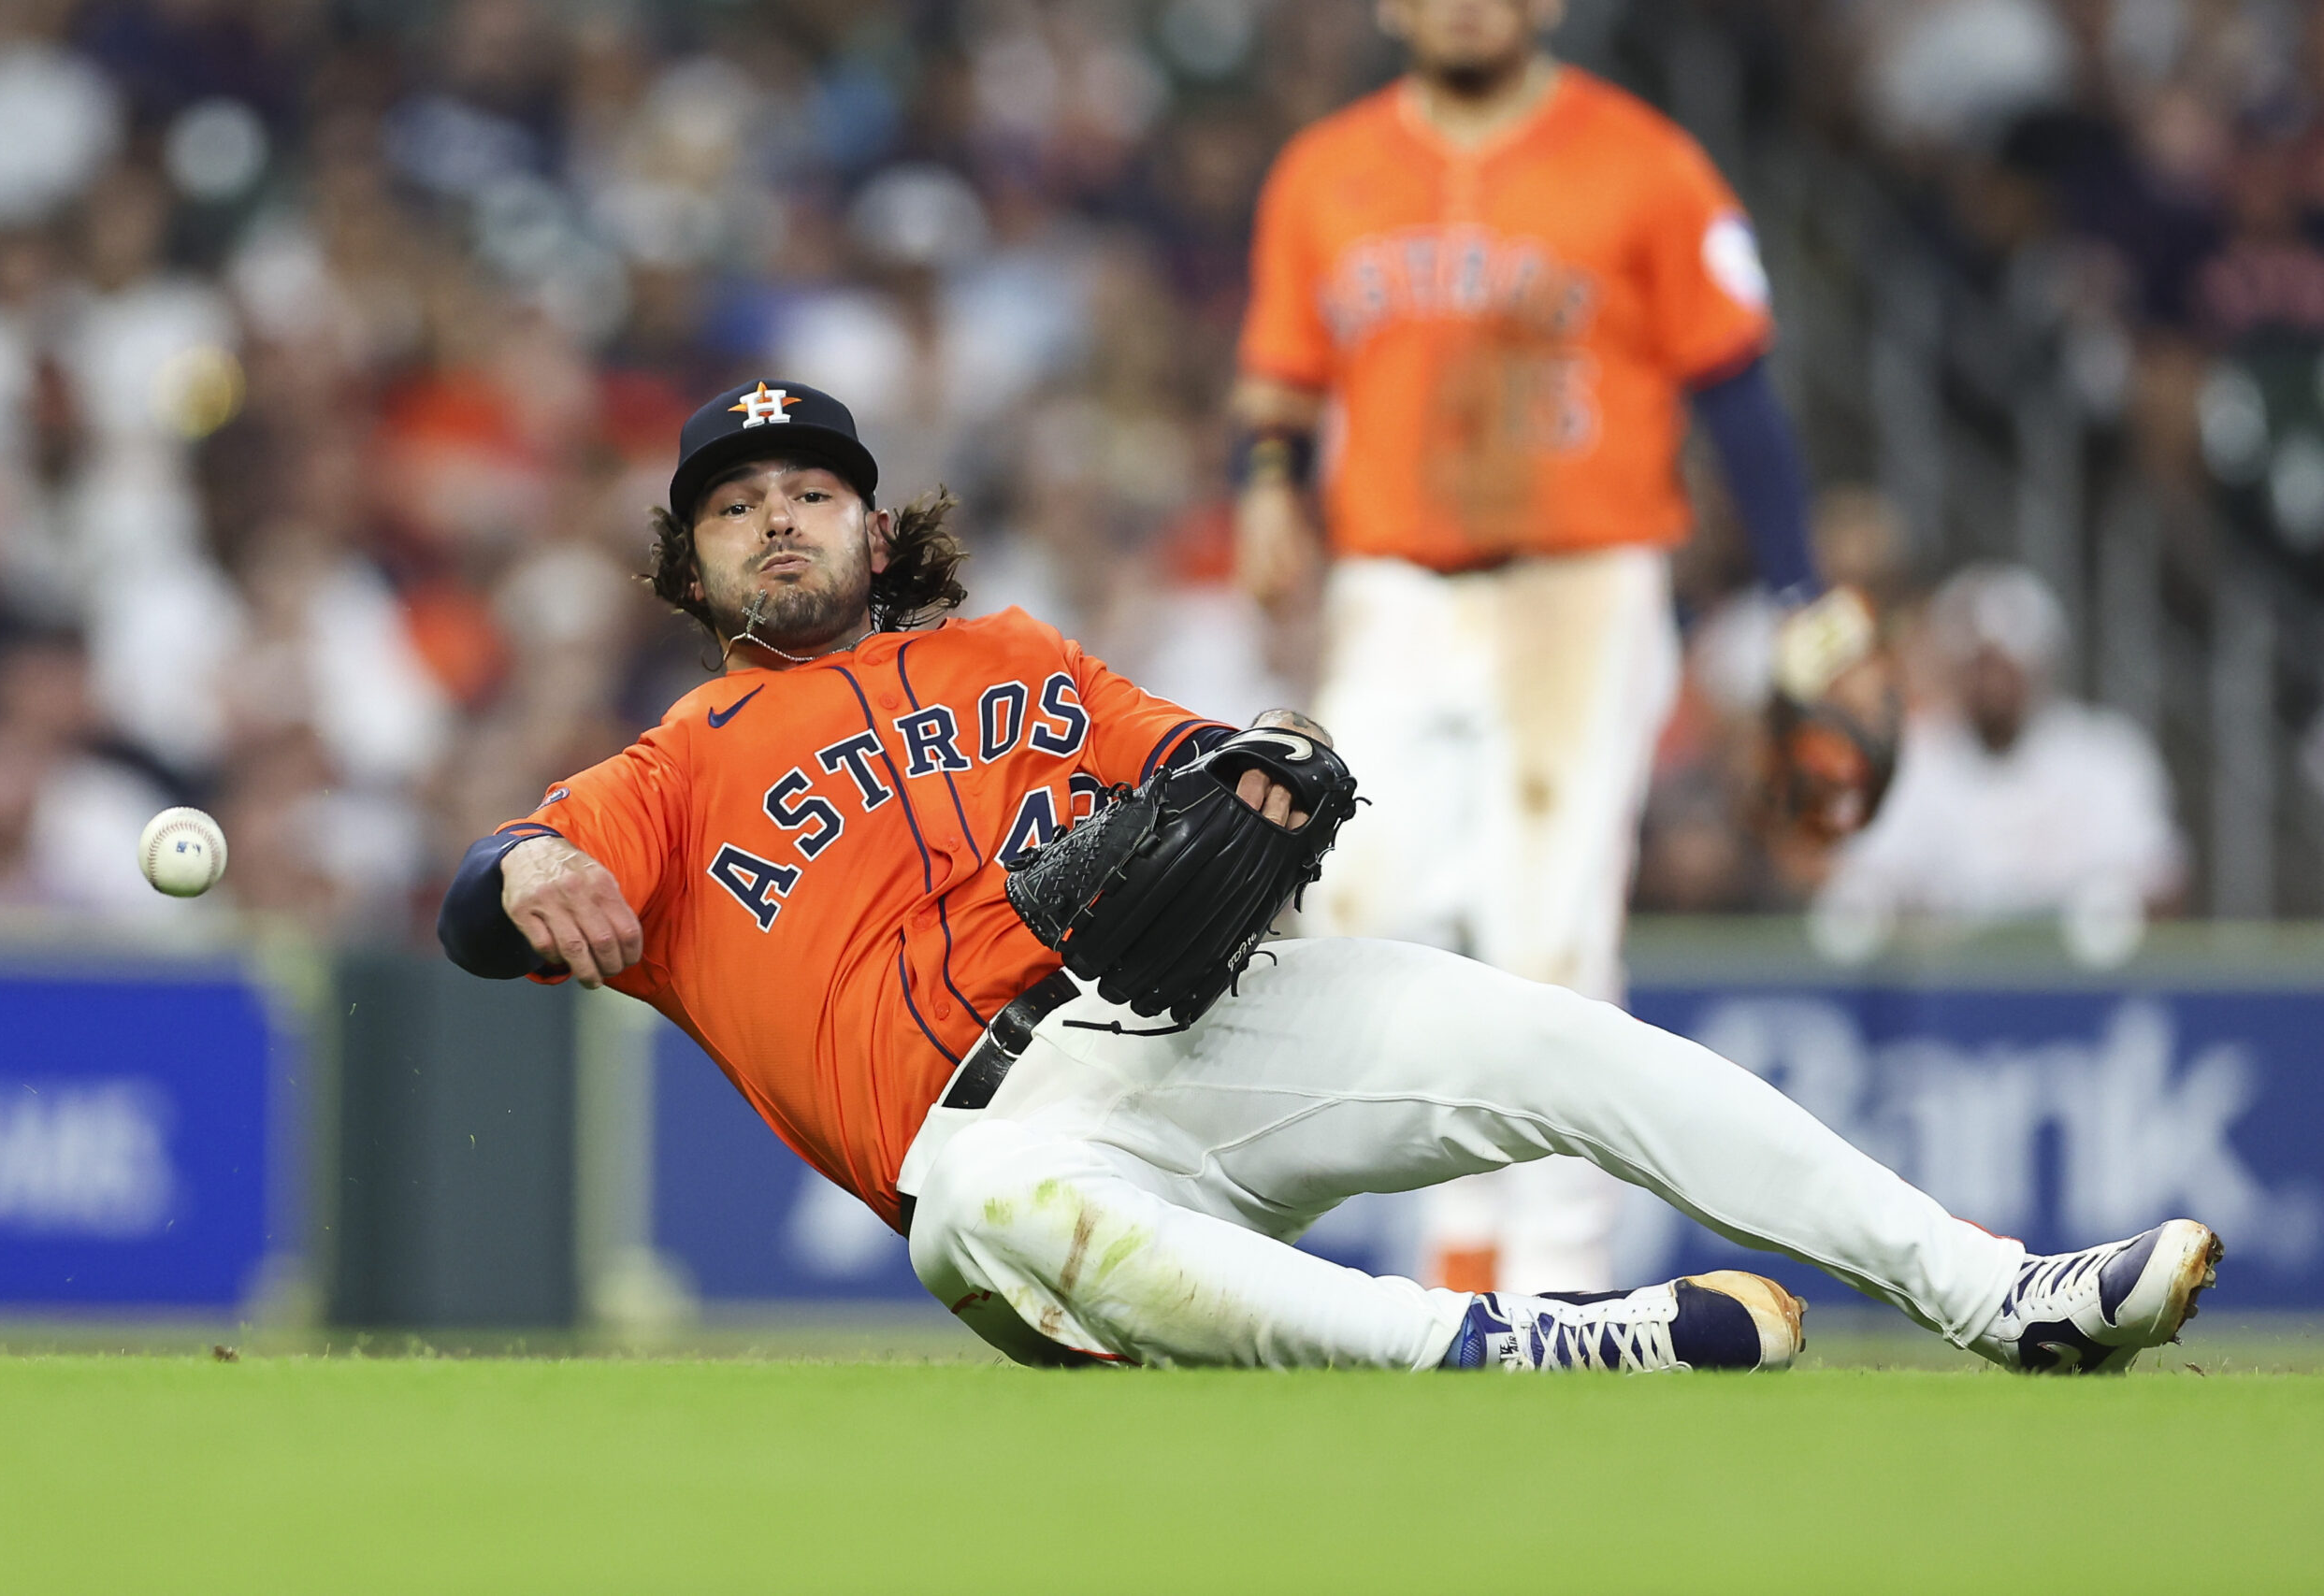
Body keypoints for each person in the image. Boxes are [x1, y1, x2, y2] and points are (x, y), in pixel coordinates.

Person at [436, 379, 2220, 1373]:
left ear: (874, 530)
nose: (776, 514)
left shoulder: (1018, 660)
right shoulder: (662, 773)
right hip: (1005, 1147)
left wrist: (1267, 766)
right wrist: (517, 872)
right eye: (736, 498)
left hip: (1180, 1025)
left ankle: (2001, 1292)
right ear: (688, 560)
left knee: (1567, 1041)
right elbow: (487, 886)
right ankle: (1514, 1344)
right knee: (985, 1199)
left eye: (811, 487)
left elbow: (1214, 758)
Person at [1231, 0, 1855, 1295]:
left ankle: (1558, 1273)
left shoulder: (1644, 161)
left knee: (1549, 939)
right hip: (1393, 585)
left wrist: (1802, 589)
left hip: (1580, 581)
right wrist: (1268, 481)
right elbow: (1282, 375)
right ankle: (1458, 1254)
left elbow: (1734, 381)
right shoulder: (1324, 170)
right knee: (1361, 916)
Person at [1815, 563, 2185, 964]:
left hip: (2079, 996)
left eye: (2007, 658)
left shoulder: (2105, 754)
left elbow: (2161, 878)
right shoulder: (1915, 757)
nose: (1991, 677)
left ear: (2041, 662)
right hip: (1947, 987)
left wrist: (2114, 905)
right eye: (1977, 660)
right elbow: (1866, 878)